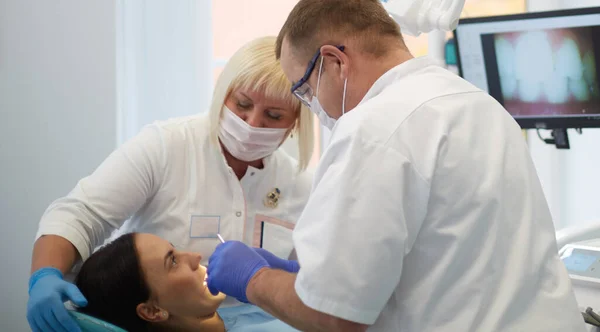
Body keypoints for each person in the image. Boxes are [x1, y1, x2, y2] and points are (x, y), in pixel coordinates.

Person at [206, 1, 586, 331]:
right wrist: (307, 278)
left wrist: (252, 277)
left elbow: (333, 318)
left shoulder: (372, 128)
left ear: (334, 63)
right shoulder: (477, 103)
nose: (313, 105)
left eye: (304, 89)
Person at [27, 36, 314, 332]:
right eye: (242, 103)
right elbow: (79, 215)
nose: (252, 123)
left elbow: (315, 286)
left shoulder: (304, 186)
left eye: (274, 115)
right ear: (222, 94)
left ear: (296, 122)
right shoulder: (165, 147)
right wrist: (45, 275)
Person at [74, 232, 299, 331]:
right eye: (172, 262)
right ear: (153, 311)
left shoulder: (248, 312)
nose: (195, 257)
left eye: (175, 249)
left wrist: (294, 277)